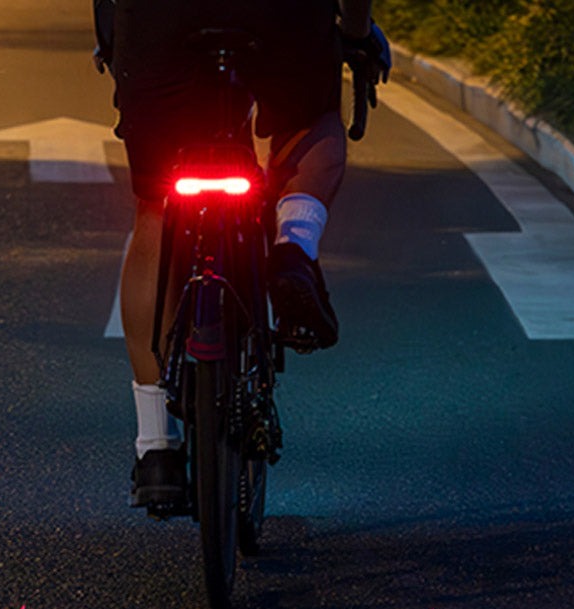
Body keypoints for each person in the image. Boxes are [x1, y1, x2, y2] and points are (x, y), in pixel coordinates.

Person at [93, 0, 389, 510]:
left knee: (156, 206)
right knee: (311, 120)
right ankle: (294, 245)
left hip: (158, 18)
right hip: (278, 15)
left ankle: (156, 447)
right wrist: (357, 33)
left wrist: (114, 34)